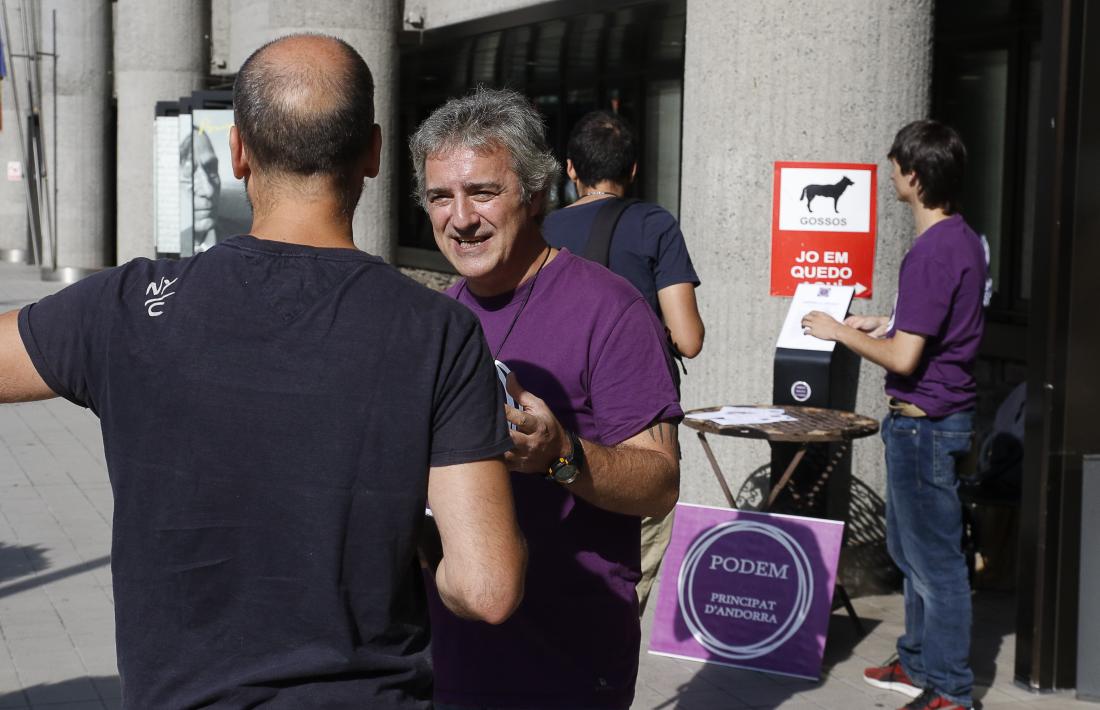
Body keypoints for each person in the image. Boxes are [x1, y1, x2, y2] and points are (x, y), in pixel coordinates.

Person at [0, 34, 526, 709]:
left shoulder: (129, 306)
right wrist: (423, 547)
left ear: (239, 152)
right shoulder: (438, 331)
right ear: (372, 152)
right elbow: (487, 589)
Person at [410, 87, 682, 710]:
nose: (461, 217)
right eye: (440, 197)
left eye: (482, 191)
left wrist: (561, 454)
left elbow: (660, 483)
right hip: (451, 652)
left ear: (535, 194)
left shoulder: (610, 308)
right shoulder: (438, 318)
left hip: (568, 660)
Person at [802, 119, 985, 710]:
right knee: (912, 554)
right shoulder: (962, 240)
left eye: (895, 167)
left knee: (936, 564)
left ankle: (951, 690)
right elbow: (930, 330)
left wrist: (836, 331)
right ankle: (916, 663)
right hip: (933, 420)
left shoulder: (933, 252)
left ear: (914, 175)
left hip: (926, 425)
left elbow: (908, 356)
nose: (890, 176)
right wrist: (882, 321)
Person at [542, 109, 704, 613]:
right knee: (629, 573)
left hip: (555, 408)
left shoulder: (540, 226)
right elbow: (689, 338)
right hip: (639, 417)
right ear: (633, 170)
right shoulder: (654, 223)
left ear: (570, 169)